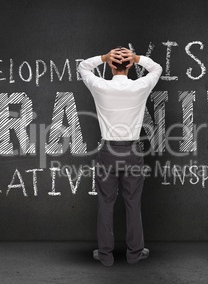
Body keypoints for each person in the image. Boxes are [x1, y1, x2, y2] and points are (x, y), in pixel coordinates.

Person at [79, 47, 162, 266]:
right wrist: (137, 58)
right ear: (131, 65)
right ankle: (134, 254)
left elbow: (83, 67)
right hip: (132, 151)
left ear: (109, 65)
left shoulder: (100, 86)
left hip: (108, 150)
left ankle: (105, 256)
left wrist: (103, 57)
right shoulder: (140, 86)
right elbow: (156, 68)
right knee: (133, 203)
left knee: (105, 203)